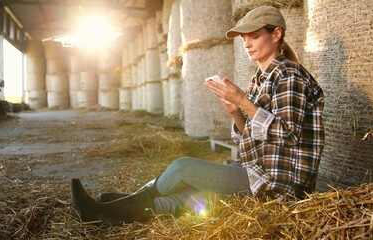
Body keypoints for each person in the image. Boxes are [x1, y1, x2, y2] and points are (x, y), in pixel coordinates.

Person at [71, 5, 325, 224]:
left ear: (277, 34)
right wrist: (236, 112)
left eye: (255, 36)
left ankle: (117, 204)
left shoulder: (289, 75)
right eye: (244, 38)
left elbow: (288, 134)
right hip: (257, 171)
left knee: (182, 168)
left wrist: (244, 103)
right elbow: (253, 141)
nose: (246, 43)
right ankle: (108, 212)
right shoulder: (261, 79)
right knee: (191, 197)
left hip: (279, 183)